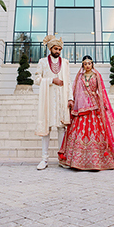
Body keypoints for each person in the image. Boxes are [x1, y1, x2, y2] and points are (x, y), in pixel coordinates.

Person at [34, 35, 74, 170]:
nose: (58, 51)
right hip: (48, 99)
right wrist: (51, 81)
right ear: (50, 48)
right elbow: (37, 79)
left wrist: (70, 98)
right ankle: (44, 159)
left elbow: (68, 82)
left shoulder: (66, 63)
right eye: (56, 49)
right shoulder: (43, 62)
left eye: (59, 49)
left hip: (62, 99)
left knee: (62, 128)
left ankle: (61, 159)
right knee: (46, 129)